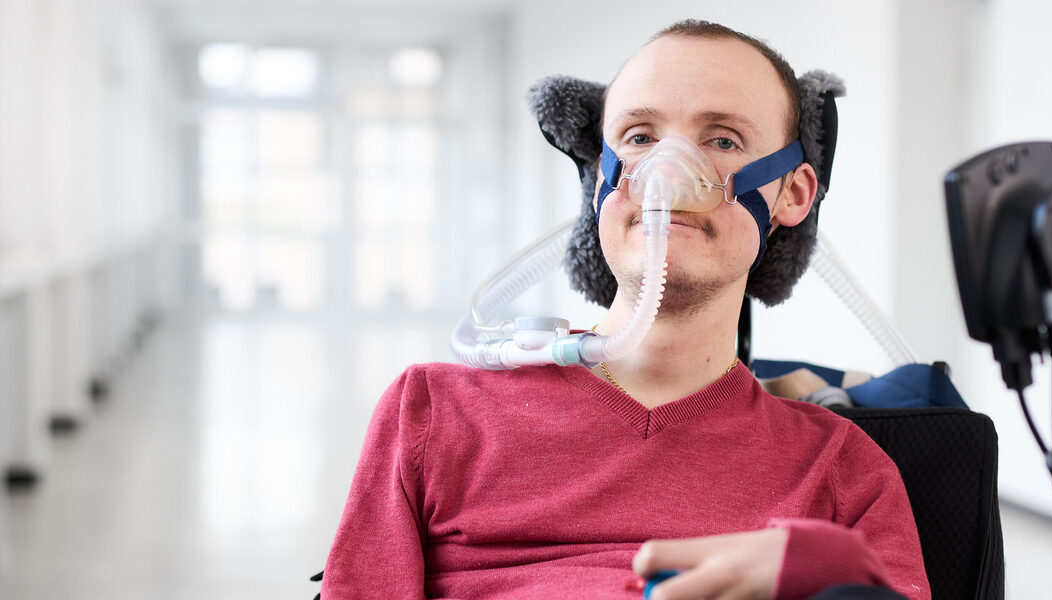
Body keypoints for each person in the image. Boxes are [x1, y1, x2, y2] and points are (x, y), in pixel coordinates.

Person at [321, 20, 930, 600]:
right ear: (600, 182)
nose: (667, 173)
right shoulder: (435, 412)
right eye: (640, 138)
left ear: (792, 194)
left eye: (722, 140)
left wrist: (846, 585)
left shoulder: (841, 470)